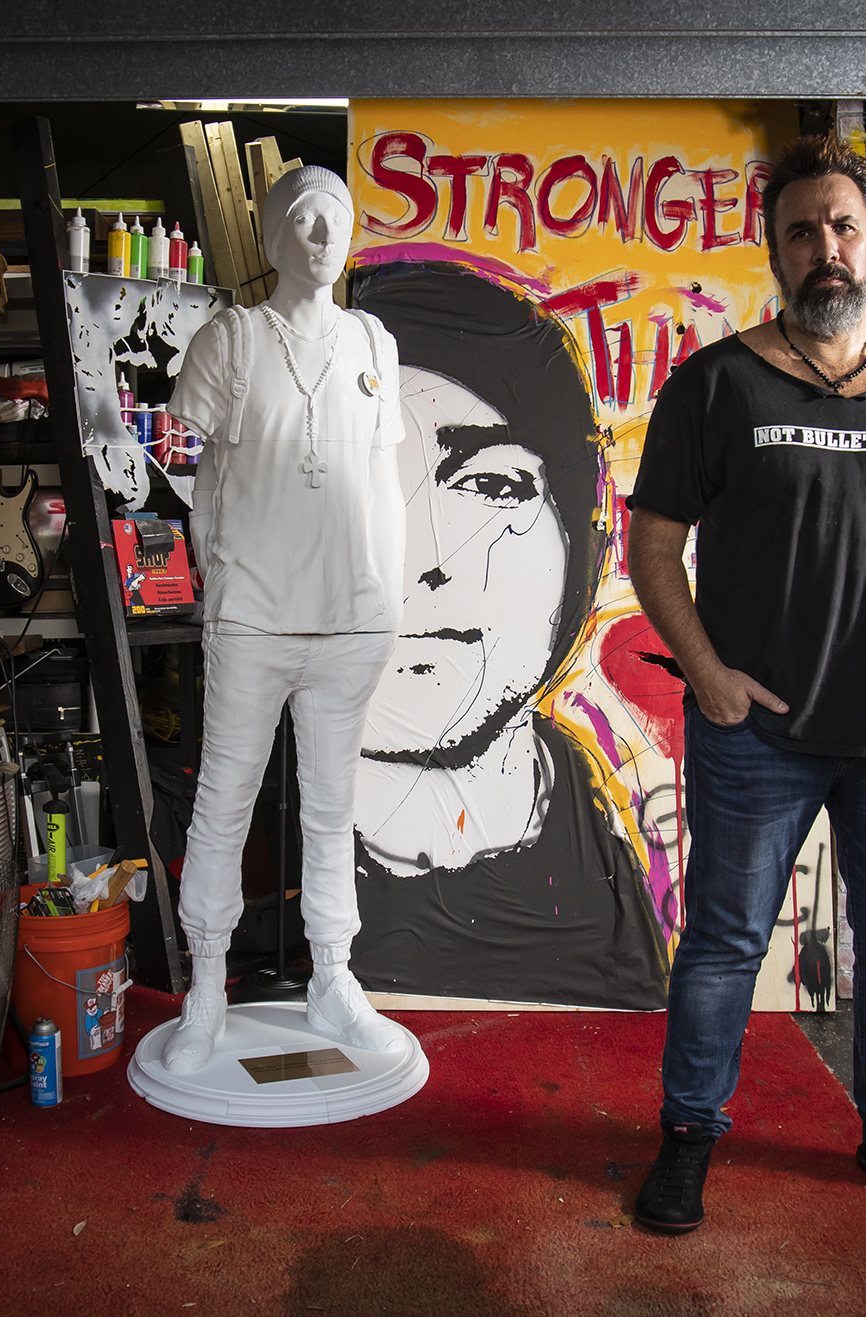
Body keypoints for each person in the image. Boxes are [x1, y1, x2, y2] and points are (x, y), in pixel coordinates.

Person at [626, 135, 866, 1233]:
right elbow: (655, 548)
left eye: (841, 227)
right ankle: (689, 1135)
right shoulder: (717, 382)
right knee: (724, 945)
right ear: (775, 250)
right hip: (757, 736)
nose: (824, 249)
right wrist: (711, 681)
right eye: (802, 231)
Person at [346, 262, 666, 1010]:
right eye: (374, 489)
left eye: (489, 487)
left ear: (584, 543)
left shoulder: (611, 882)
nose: (425, 564)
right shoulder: (266, 864)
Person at [160, 166, 414, 1072]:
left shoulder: (373, 343)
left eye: (335, 223)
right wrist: (220, 585)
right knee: (222, 802)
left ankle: (335, 979)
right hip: (256, 616)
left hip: (350, 619)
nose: (321, 239)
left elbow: (384, 485)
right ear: (270, 236)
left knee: (331, 808)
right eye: (302, 223)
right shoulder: (228, 341)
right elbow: (191, 486)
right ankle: (204, 986)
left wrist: (386, 598)